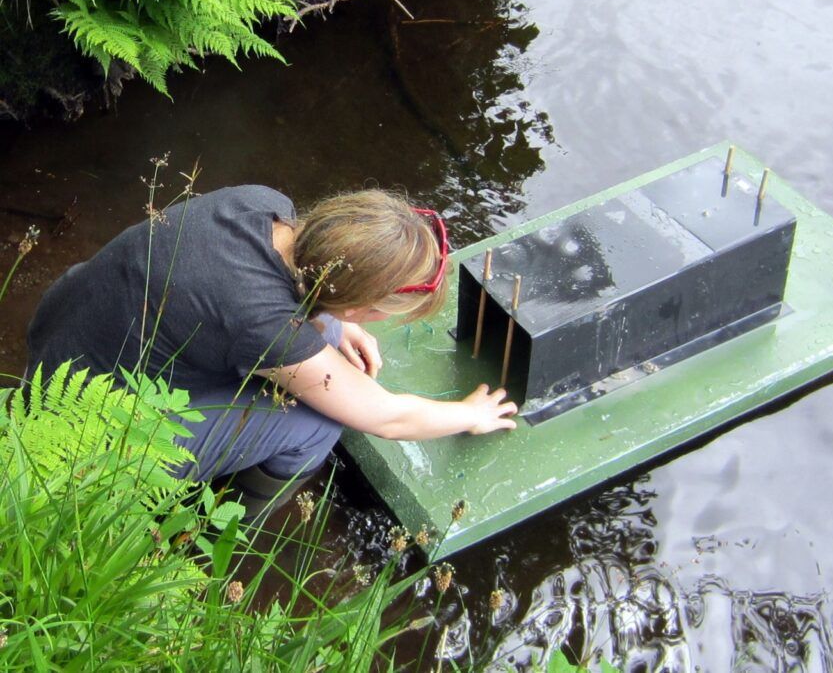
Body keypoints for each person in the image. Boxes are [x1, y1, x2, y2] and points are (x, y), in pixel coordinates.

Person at [26, 185, 517, 516]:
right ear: (364, 307)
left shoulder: (263, 203)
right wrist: (468, 414)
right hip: (86, 429)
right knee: (317, 423)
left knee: (321, 343)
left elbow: (260, 295)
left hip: (62, 337)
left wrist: (331, 320)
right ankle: (216, 521)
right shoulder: (265, 323)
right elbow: (386, 418)